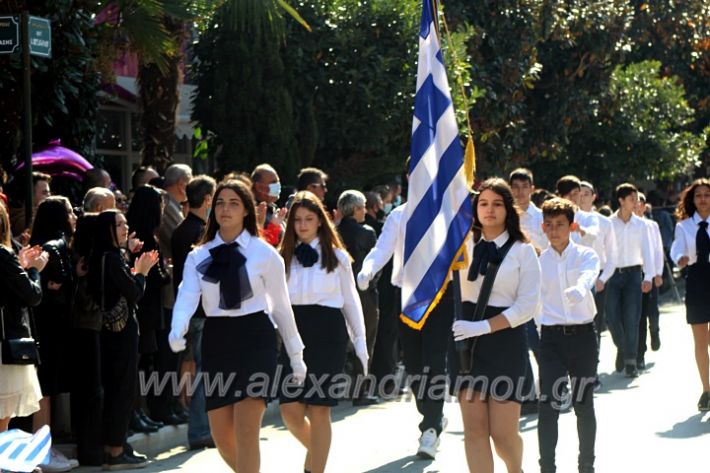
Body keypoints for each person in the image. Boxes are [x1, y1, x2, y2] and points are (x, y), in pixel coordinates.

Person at [168, 180, 306, 473]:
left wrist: (296, 355)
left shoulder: (265, 254)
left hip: (256, 338)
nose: (225, 209)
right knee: (221, 437)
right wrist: (177, 327)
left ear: (246, 211)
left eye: (233, 203)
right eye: (220, 203)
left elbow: (281, 308)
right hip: (217, 339)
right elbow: (187, 294)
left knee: (246, 431)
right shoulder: (198, 255)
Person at [450, 178, 541, 473]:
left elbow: (527, 306)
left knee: (502, 436)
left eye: (497, 204)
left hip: (505, 343)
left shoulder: (523, 251)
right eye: (483, 203)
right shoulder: (460, 245)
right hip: (466, 342)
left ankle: (516, 469)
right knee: (474, 433)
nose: (489, 210)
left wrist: (485, 327)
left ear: (508, 209)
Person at [278, 191, 368, 473]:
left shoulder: (337, 256)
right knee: (290, 411)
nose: (303, 225)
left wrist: (361, 341)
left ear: (321, 221)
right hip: (294, 332)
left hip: (328, 332)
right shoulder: (282, 257)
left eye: (309, 219)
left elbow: (351, 300)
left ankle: (315, 467)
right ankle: (319, 453)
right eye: (298, 220)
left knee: (319, 408)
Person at [88, 209, 159, 470]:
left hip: (108, 332)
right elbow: (133, 293)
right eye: (118, 225)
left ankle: (113, 447)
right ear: (107, 229)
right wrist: (141, 272)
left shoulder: (103, 257)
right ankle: (116, 451)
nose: (124, 228)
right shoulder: (111, 258)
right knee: (122, 390)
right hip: (121, 333)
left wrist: (129, 257)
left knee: (116, 388)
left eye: (125, 223)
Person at [536, 198, 599, 473]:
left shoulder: (586, 255)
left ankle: (586, 464)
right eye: (548, 225)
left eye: (560, 225)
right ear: (542, 227)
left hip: (583, 336)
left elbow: (588, 275)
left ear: (572, 226)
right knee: (548, 405)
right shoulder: (537, 261)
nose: (554, 231)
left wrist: (581, 289)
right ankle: (547, 466)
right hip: (551, 339)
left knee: (583, 403)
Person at [28, 196, 80, 471]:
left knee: (45, 389)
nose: (75, 216)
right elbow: (51, 287)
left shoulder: (45, 246)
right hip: (49, 330)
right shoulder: (54, 248)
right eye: (70, 212)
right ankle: (41, 452)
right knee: (44, 390)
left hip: (47, 328)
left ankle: (44, 450)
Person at [170, 175, 217, 450]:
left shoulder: (181, 229)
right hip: (201, 311)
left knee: (200, 370)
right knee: (205, 372)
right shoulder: (199, 231)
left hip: (190, 310)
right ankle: (200, 430)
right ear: (208, 199)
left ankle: (203, 427)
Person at [126, 186, 172, 432]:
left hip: (147, 307)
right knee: (139, 362)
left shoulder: (142, 234)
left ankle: (139, 411)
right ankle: (135, 412)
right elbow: (154, 276)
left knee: (144, 362)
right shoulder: (145, 237)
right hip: (145, 307)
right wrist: (166, 273)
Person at [0, 202, 46, 438]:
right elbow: (32, 294)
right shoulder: (2, 254)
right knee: (2, 416)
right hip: (4, 345)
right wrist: (34, 269)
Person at [154, 163, 193, 424]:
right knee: (166, 355)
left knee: (174, 355)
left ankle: (171, 405)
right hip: (167, 292)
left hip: (174, 291)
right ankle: (163, 406)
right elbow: (181, 240)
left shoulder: (174, 206)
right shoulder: (167, 206)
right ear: (182, 184)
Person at [605, 183, 654, 377]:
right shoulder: (608, 223)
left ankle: (631, 361)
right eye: (632, 198)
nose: (636, 202)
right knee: (612, 317)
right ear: (621, 201)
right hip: (613, 275)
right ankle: (622, 348)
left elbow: (647, 251)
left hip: (634, 274)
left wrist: (648, 276)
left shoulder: (641, 224)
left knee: (632, 318)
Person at [336, 190, 380, 406]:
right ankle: (360, 391)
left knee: (339, 340)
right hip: (363, 292)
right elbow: (375, 264)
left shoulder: (333, 231)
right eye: (362, 207)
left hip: (336, 292)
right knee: (365, 338)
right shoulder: (367, 232)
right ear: (355, 209)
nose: (365, 211)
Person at [670, 178, 710, 411]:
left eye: (707, 194)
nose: (703, 199)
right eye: (699, 195)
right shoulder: (683, 226)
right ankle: (706, 389)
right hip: (696, 280)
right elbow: (677, 248)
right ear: (692, 200)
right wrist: (680, 259)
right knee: (700, 340)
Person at [634, 192, 664, 369]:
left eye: (640, 203)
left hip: (650, 274)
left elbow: (658, 250)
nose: (637, 206)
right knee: (638, 317)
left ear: (644, 206)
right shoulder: (624, 225)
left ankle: (655, 331)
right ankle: (639, 354)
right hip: (633, 276)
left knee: (652, 311)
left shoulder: (651, 226)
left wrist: (657, 273)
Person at [250, 164, 286, 246]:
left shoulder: (273, 210)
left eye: (278, 182)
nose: (278, 185)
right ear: (258, 187)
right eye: (274, 182)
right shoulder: (253, 212)